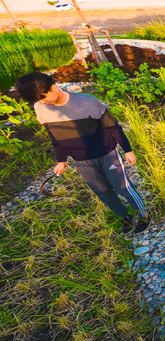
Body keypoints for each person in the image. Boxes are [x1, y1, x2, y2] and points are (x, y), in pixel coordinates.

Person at [15, 73, 151, 234]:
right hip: (81, 161)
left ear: (53, 87)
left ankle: (143, 214)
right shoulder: (41, 108)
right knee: (103, 193)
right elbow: (55, 136)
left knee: (123, 187)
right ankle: (124, 216)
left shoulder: (87, 101)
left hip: (107, 154)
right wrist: (61, 161)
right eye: (38, 100)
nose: (42, 102)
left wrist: (128, 150)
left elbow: (113, 127)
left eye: (43, 98)